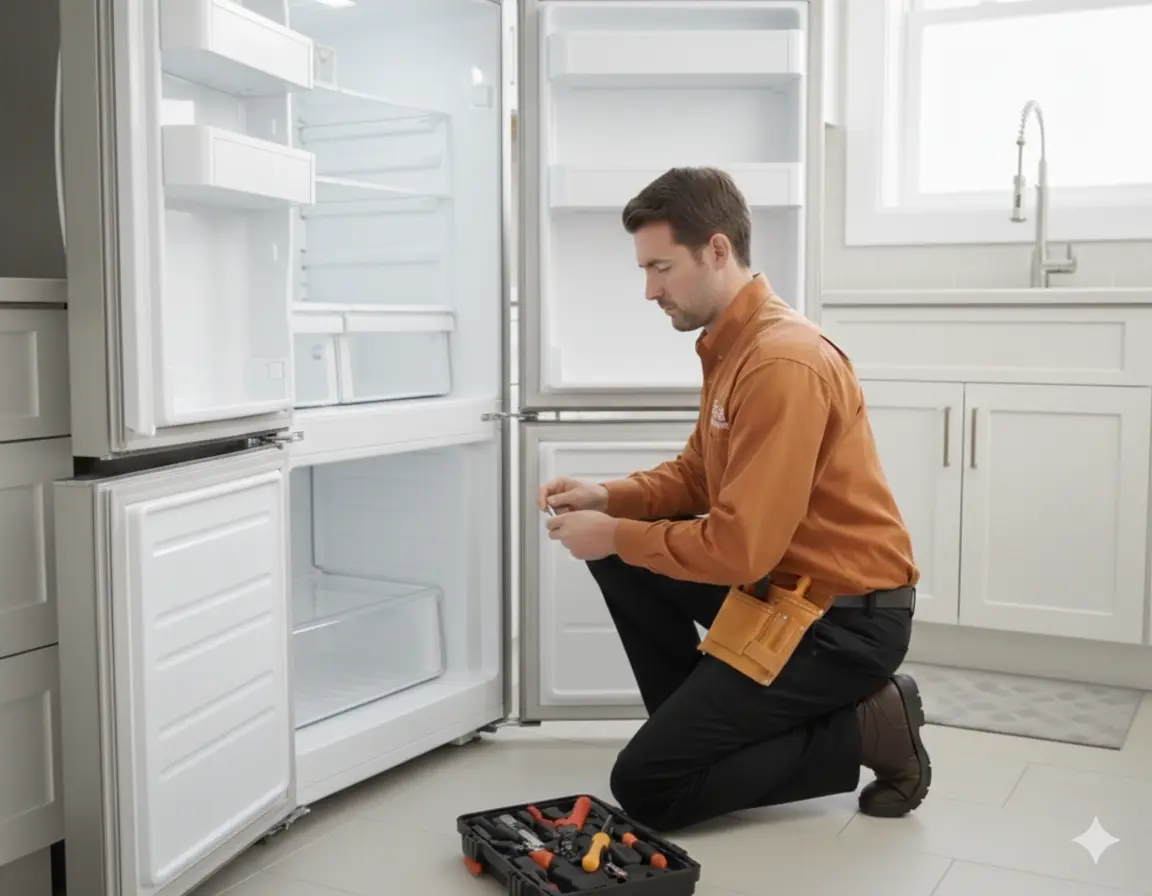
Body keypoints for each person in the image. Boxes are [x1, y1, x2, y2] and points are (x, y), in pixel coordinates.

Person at [538, 167, 930, 833]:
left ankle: (869, 727)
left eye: (661, 267)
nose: (649, 290)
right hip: (780, 594)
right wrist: (609, 497)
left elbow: (741, 546)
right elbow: (697, 476)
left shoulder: (781, 364)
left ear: (717, 251)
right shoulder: (734, 345)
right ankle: (697, 724)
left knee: (649, 785)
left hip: (840, 624)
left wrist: (612, 533)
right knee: (622, 552)